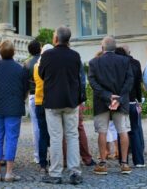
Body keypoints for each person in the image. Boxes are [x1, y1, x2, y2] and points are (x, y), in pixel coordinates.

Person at [38, 26, 83, 185]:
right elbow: (78, 76)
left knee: (56, 137)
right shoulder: (75, 55)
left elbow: (42, 74)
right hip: (71, 100)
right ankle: (75, 172)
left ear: (56, 38)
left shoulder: (47, 55)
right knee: (72, 136)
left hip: (53, 101)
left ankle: (55, 173)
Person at [0, 40, 28, 182]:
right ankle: (9, 172)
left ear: (0, 52)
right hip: (14, 107)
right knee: (11, 138)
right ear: (13, 52)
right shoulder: (20, 68)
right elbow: (25, 88)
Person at [88, 36, 133, 176]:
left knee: (102, 131)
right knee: (123, 131)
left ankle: (102, 163)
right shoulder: (125, 61)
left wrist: (108, 96)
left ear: (102, 47)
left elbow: (92, 82)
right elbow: (129, 80)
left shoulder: (94, 62)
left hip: (102, 101)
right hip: (120, 101)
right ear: (115, 47)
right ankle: (124, 164)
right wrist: (119, 98)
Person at [116, 45, 145, 167]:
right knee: (135, 130)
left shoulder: (117, 64)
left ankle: (123, 161)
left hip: (121, 102)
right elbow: (138, 83)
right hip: (133, 101)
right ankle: (139, 161)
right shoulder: (135, 63)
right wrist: (139, 99)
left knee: (121, 131)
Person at [33, 43, 53, 174]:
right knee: (53, 133)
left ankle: (42, 163)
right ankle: (53, 159)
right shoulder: (51, 67)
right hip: (50, 102)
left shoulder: (36, 66)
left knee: (42, 134)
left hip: (38, 101)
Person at [23, 39, 41, 164]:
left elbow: (24, 83)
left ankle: (37, 155)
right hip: (44, 95)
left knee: (36, 127)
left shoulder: (27, 63)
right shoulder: (44, 60)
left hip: (32, 95)